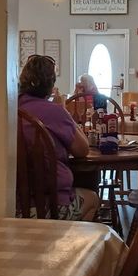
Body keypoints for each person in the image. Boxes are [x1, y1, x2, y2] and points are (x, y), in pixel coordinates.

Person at [20, 56, 99, 221]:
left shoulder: (11, 109)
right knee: (91, 198)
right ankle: (73, 244)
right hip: (52, 205)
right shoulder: (55, 112)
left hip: (15, 204)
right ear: (51, 85)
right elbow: (82, 150)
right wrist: (64, 110)